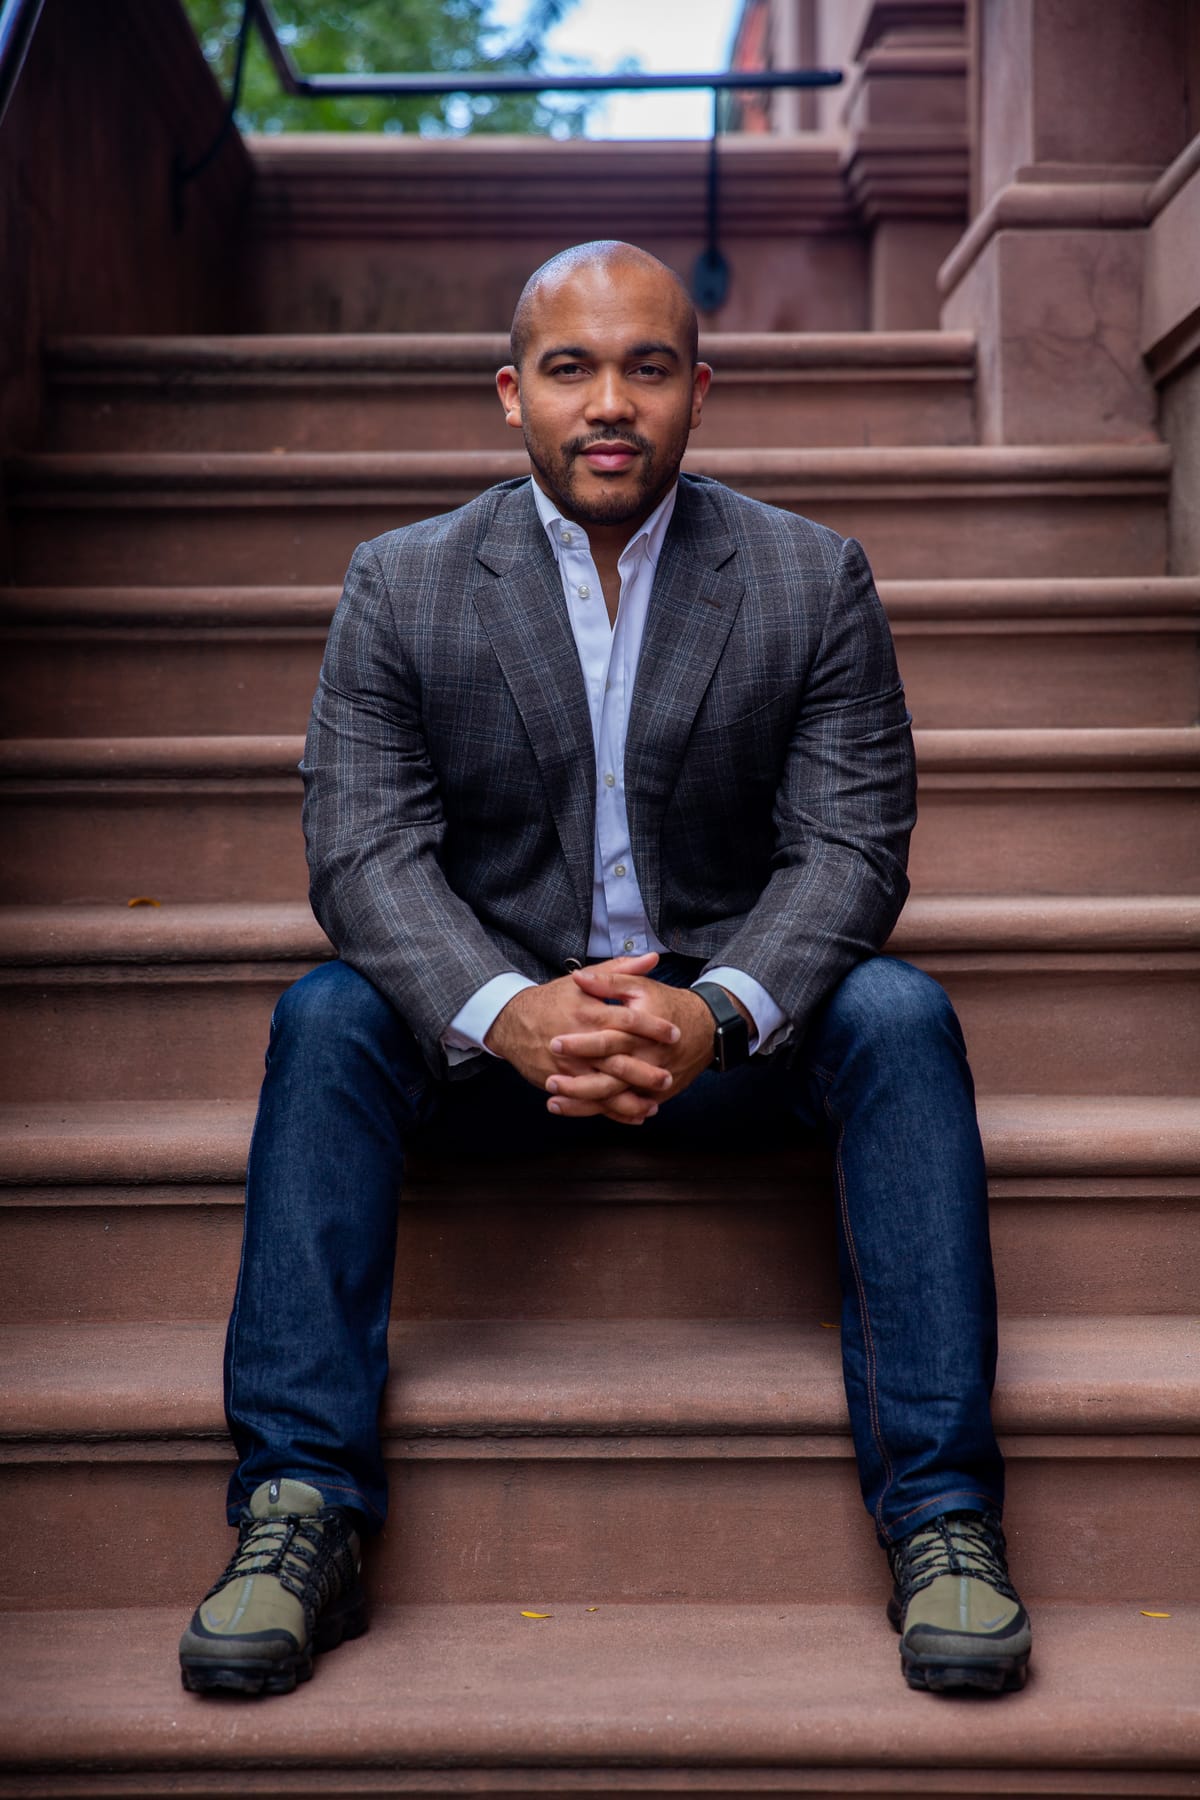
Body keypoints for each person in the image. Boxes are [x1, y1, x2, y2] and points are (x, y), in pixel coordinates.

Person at [179, 240, 1030, 1700]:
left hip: (726, 1035)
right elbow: (362, 853)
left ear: (700, 390)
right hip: (491, 1046)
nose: (611, 402)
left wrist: (716, 1009)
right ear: (514, 395)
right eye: (571, 368)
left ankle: (943, 1514)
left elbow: (851, 848)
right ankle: (299, 1504)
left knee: (900, 1013)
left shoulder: (809, 576)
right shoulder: (404, 582)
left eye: (648, 366)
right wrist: (507, 1011)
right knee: (326, 1018)